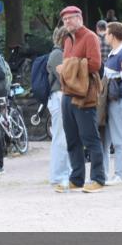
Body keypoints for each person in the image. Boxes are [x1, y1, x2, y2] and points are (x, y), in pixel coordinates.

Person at [55, 6, 104, 193]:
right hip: (67, 93)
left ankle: (98, 178)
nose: (67, 22)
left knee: (90, 137)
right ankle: (76, 178)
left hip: (85, 93)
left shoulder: (91, 37)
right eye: (65, 19)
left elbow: (95, 64)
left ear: (80, 18)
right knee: (72, 138)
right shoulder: (67, 39)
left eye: (71, 18)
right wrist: (67, 68)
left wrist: (68, 67)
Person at [101, 22, 122, 186]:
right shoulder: (115, 53)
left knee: (120, 138)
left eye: (106, 34)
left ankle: (121, 174)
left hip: (118, 100)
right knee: (105, 139)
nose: (105, 36)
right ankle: (104, 174)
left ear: (112, 35)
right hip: (110, 100)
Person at [46, 27, 69, 188]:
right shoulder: (57, 55)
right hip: (59, 96)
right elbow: (64, 78)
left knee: (62, 137)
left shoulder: (59, 53)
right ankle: (58, 174)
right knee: (60, 138)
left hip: (60, 96)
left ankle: (62, 172)